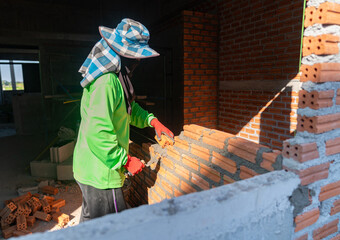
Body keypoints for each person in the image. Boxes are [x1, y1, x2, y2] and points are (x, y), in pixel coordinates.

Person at [73, 18, 174, 222]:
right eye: (135, 57)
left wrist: (153, 121)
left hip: (92, 168)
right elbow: (98, 133)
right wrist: (125, 161)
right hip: (101, 173)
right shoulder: (107, 83)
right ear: (124, 54)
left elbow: (126, 109)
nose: (137, 62)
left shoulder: (117, 79)